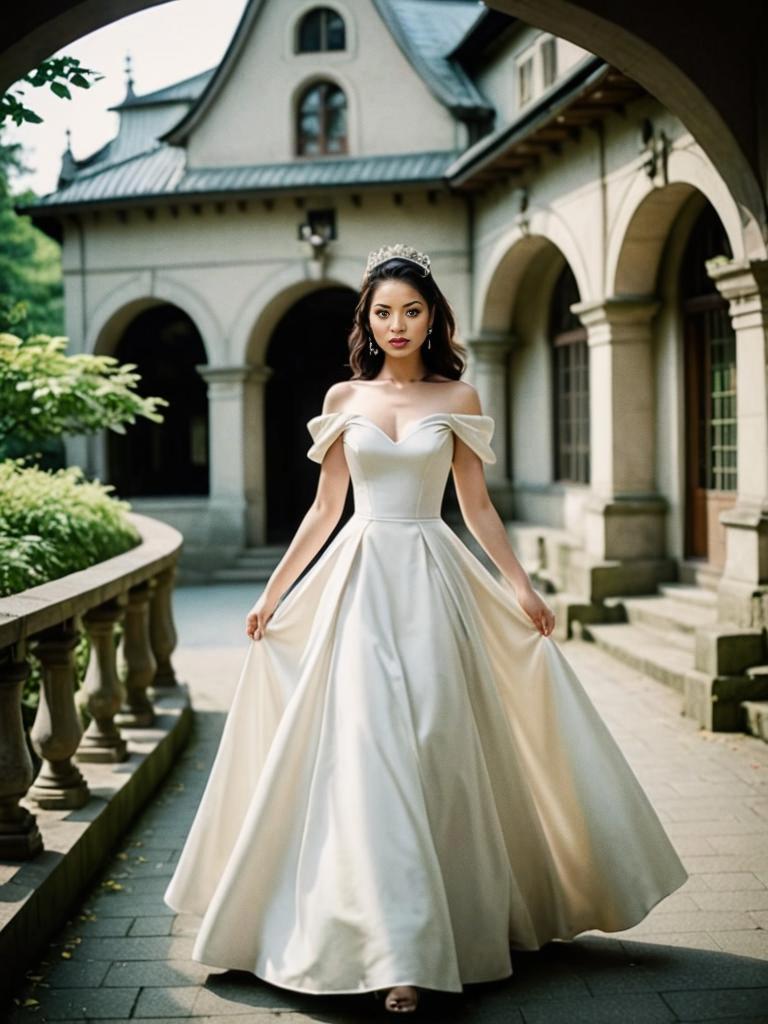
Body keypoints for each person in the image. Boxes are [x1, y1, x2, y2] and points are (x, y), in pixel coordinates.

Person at [164, 242, 688, 1015]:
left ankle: (448, 923)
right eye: (383, 313)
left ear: (432, 317)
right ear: (367, 323)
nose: (397, 325)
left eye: (411, 311)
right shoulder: (344, 399)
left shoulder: (460, 398)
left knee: (438, 742)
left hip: (435, 583)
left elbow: (476, 508)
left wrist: (523, 588)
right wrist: (274, 594)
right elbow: (324, 510)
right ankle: (397, 955)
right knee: (368, 748)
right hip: (360, 582)